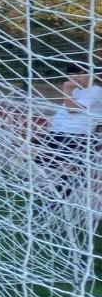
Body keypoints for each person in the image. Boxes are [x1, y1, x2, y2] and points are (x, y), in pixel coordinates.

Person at [37, 63, 102, 206]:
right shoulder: (77, 90)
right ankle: (52, 196)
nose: (75, 78)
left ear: (91, 75)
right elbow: (66, 110)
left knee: (71, 170)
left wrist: (66, 89)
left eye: (80, 74)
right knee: (41, 163)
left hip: (76, 136)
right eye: (72, 74)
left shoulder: (96, 90)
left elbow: (73, 109)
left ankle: (56, 201)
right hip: (59, 133)